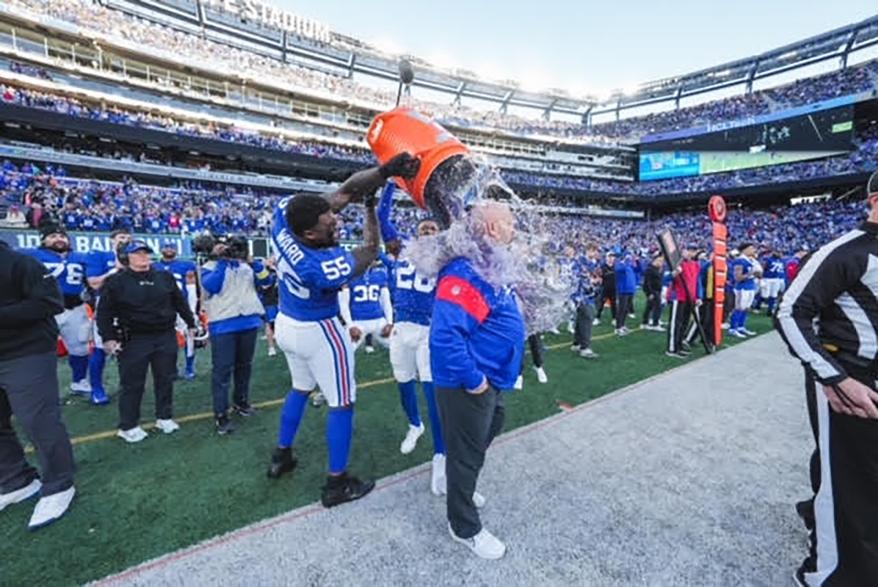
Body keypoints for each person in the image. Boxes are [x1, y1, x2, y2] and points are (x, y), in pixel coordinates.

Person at [266, 153, 420, 508]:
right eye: (327, 223)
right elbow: (370, 249)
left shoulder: (284, 217)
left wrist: (384, 172)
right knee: (343, 403)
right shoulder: (320, 266)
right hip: (319, 330)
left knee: (300, 388)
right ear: (308, 233)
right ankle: (337, 483)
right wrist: (369, 211)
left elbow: (346, 190)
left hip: (288, 323)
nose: (334, 221)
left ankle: (281, 455)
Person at [776, 171, 878, 586]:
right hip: (849, 378)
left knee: (858, 474)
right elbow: (789, 312)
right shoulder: (845, 251)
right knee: (850, 483)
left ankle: (819, 516)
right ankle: (830, 573)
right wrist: (834, 377)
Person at [430, 201, 525, 560]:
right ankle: (464, 526)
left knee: (484, 434)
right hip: (468, 383)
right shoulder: (466, 272)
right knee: (467, 452)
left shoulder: (489, 265)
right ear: (491, 229)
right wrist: (473, 380)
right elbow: (445, 337)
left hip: (491, 378)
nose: (514, 229)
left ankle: (459, 482)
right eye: (509, 224)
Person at [0, 238, 76, 530]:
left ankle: (59, 484)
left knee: (38, 420)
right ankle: (16, 480)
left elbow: (49, 302)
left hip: (25, 351)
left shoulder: (21, 262)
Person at [377, 183, 446, 493]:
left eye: (434, 226)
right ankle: (414, 425)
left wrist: (438, 196)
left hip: (429, 329)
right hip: (402, 328)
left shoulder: (446, 256)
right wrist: (391, 184)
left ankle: (441, 456)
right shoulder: (402, 250)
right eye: (424, 226)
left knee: (433, 392)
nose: (429, 229)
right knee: (403, 380)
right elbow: (382, 216)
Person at [96, 240, 196, 443]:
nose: (143, 256)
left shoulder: (163, 277)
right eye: (138, 253)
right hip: (134, 338)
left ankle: (164, 416)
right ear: (127, 257)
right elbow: (104, 312)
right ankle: (128, 425)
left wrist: (191, 323)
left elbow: (179, 301)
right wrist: (108, 337)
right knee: (132, 383)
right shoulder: (116, 281)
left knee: (166, 378)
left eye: (146, 253)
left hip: (164, 334)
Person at [201, 237, 274, 434]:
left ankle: (241, 402)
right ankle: (220, 414)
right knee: (222, 370)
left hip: (248, 322)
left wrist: (253, 262)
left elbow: (267, 281)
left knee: (245, 367)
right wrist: (223, 261)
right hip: (223, 324)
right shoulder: (209, 267)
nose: (233, 251)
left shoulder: (247, 267)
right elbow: (213, 286)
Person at [19, 223, 98, 401]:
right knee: (39, 349)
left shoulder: (80, 256)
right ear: (43, 239)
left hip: (75, 307)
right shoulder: (32, 255)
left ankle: (79, 381)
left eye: (62, 236)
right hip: (44, 309)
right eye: (53, 236)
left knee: (80, 347)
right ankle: (37, 387)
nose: (59, 239)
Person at [86, 228, 132, 404]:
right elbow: (95, 284)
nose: (125, 240)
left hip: (131, 304)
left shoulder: (134, 255)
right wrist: (115, 270)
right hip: (107, 304)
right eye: (121, 237)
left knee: (131, 346)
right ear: (112, 240)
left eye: (128, 238)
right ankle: (97, 389)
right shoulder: (99, 256)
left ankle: (128, 385)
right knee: (101, 347)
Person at [154, 238, 198, 380]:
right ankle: (170, 368)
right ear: (161, 250)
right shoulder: (153, 266)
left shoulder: (186, 265)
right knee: (165, 339)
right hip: (161, 307)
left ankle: (189, 367)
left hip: (181, 304)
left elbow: (192, 287)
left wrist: (192, 308)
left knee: (188, 335)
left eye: (171, 247)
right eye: (166, 247)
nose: (169, 249)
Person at [338, 263, 393, 353]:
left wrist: (389, 323)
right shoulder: (348, 277)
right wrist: (350, 325)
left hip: (379, 321)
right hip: (358, 322)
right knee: (343, 352)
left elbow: (386, 301)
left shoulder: (380, 275)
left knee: (400, 346)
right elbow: (343, 304)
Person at [666, 244, 700, 359]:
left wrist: (698, 297)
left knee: (684, 323)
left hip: (689, 298)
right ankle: (672, 349)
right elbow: (666, 278)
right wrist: (674, 273)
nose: (691, 253)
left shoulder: (696, 265)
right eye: (689, 250)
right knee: (676, 324)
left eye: (693, 251)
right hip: (678, 296)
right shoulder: (677, 263)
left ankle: (679, 346)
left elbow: (697, 282)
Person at [572, 243, 600, 358]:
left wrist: (597, 281)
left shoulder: (594, 263)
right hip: (581, 295)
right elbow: (576, 277)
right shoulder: (580, 262)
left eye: (596, 251)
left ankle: (577, 343)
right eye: (593, 251)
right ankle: (585, 348)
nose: (596, 253)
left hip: (589, 295)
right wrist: (590, 280)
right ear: (588, 250)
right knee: (588, 318)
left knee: (581, 319)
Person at [728, 243, 760, 338]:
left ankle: (741, 326)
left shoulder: (751, 260)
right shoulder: (740, 261)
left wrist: (757, 274)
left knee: (746, 308)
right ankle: (733, 328)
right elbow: (737, 278)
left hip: (750, 286)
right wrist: (751, 273)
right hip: (742, 288)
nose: (753, 250)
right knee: (739, 307)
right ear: (744, 250)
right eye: (751, 248)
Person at [614, 251, 636, 336]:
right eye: (628, 257)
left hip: (630, 290)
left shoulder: (629, 265)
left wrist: (635, 261)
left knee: (626, 309)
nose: (630, 259)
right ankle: (618, 327)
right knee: (621, 309)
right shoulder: (619, 264)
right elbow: (618, 270)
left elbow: (639, 269)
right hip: (623, 290)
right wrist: (626, 262)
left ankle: (622, 325)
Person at [641, 253, 664, 331]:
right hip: (653, 291)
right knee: (657, 307)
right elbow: (647, 282)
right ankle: (655, 324)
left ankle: (645, 323)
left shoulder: (656, 269)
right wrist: (650, 293)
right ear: (655, 260)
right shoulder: (650, 269)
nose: (661, 263)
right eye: (660, 261)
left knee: (649, 307)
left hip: (656, 290)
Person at [595, 250, 616, 324]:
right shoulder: (602, 266)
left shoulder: (616, 266)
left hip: (614, 288)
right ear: (606, 258)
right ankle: (597, 318)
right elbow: (599, 276)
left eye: (612, 257)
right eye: (609, 256)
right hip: (605, 287)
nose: (611, 258)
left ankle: (614, 318)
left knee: (614, 304)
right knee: (601, 303)